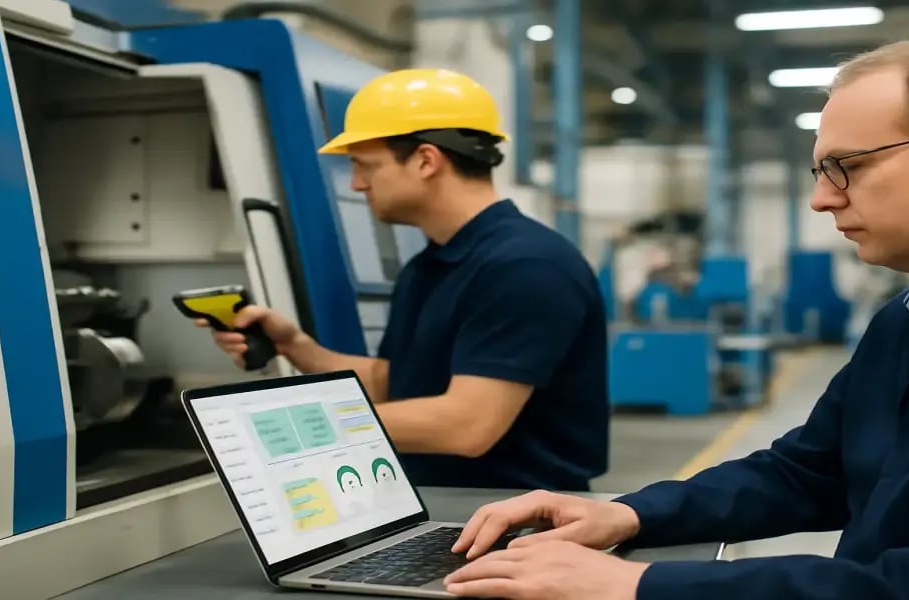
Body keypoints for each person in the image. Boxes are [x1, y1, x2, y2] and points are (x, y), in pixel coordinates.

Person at [442, 36, 909, 599]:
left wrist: (638, 583)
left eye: (845, 166)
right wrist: (629, 515)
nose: (822, 200)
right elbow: (806, 471)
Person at [203, 68, 610, 492]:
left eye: (364, 165)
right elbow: (394, 383)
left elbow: (466, 427)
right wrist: (295, 346)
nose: (357, 183)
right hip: (449, 511)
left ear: (425, 161)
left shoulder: (526, 266)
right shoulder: (432, 265)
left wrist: (272, 425)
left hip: (522, 524)